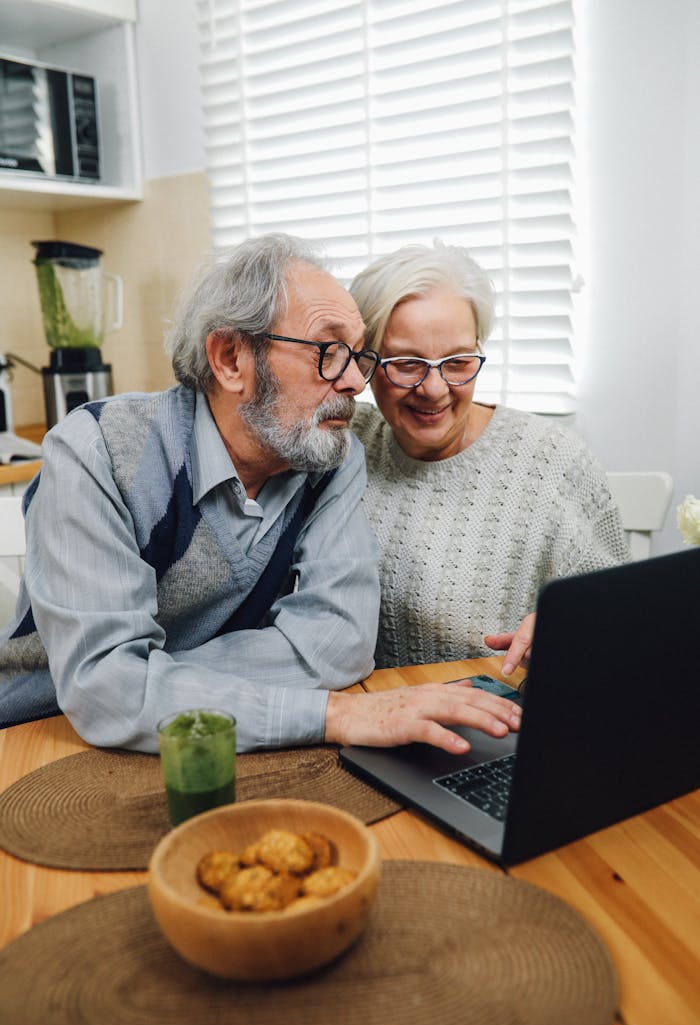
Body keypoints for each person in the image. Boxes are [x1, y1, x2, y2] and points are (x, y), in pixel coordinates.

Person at [0, 234, 521, 757]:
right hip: (45, 736)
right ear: (231, 359)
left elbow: (341, 643)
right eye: (328, 351)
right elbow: (102, 693)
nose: (354, 383)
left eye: (357, 355)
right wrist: (333, 712)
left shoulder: (330, 458)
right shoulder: (96, 451)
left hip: (226, 737)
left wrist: (150, 683)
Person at [349, 240, 631, 674]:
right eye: (406, 363)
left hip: (504, 721)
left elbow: (622, 616)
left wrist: (571, 624)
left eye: (458, 362)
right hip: (373, 713)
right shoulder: (346, 443)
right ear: (366, 364)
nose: (435, 389)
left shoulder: (551, 460)